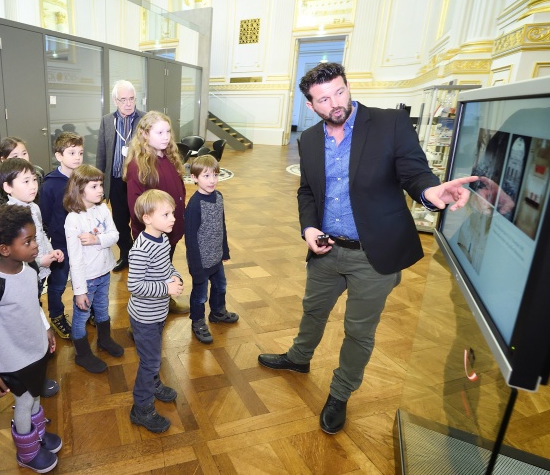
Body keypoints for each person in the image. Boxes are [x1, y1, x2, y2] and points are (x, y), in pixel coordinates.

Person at [257, 62, 478, 434]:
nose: (336, 102)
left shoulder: (389, 124)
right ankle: (299, 358)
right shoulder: (309, 140)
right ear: (311, 105)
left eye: (340, 91)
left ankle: (340, 394)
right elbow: (308, 191)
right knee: (313, 310)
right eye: (324, 98)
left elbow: (414, 173)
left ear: (348, 86)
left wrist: (430, 192)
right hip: (327, 250)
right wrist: (309, 227)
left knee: (359, 330)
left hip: (374, 255)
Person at [0, 205, 62, 473]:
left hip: (35, 349)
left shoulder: (30, 269)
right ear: (4, 249)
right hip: (12, 360)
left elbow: (32, 303)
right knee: (25, 402)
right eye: (28, 241)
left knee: (35, 396)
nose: (35, 246)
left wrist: (46, 326)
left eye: (35, 238)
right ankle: (27, 451)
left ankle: (36, 434)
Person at [0, 157, 63, 398]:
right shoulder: (12, 215)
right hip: (25, 274)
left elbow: (40, 236)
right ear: (8, 187)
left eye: (34, 179)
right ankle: (30, 374)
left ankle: (39, 359)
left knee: (36, 307)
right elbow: (14, 254)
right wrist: (37, 261)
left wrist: (49, 251)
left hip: (38, 269)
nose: (33, 185)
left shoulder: (32, 206)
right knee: (28, 317)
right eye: (25, 181)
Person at [127, 189, 185, 434]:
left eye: (172, 213)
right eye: (166, 214)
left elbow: (166, 266)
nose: (173, 218)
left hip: (158, 312)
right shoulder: (141, 249)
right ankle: (141, 408)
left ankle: (153, 384)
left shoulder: (161, 239)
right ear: (147, 218)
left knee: (153, 356)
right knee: (150, 361)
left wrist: (175, 276)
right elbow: (135, 286)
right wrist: (166, 287)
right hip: (144, 317)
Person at [123, 111, 189, 314]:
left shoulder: (169, 157)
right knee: (149, 275)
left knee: (164, 268)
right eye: (159, 132)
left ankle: (165, 302)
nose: (166, 136)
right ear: (144, 135)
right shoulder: (138, 165)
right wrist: (155, 228)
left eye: (168, 131)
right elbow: (137, 207)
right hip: (152, 234)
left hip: (170, 229)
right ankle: (141, 317)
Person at [63, 164, 123, 373]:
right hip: (86, 279)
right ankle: (82, 354)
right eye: (94, 186)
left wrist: (97, 239)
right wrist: (79, 291)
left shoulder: (103, 209)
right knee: (81, 316)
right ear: (80, 189)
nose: (100, 190)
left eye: (101, 185)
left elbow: (115, 235)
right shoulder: (73, 219)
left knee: (103, 308)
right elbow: (75, 259)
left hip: (104, 272)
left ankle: (104, 340)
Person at [184, 155, 238, 344]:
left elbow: (221, 225)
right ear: (194, 178)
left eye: (215, 175)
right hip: (200, 261)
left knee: (220, 286)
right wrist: (196, 268)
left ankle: (218, 312)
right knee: (200, 295)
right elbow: (190, 240)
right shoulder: (194, 205)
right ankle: (197, 321)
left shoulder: (219, 197)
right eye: (206, 176)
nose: (212, 180)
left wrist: (225, 251)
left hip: (216, 257)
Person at [96, 80, 146, 272]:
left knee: (140, 219)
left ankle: (143, 255)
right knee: (119, 221)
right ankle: (127, 253)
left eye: (131, 99)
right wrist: (98, 184)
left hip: (138, 181)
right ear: (115, 101)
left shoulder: (145, 120)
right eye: (123, 99)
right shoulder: (107, 121)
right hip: (116, 180)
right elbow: (102, 152)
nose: (128, 103)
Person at [40, 132, 84, 339]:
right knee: (57, 284)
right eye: (71, 152)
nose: (77, 157)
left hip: (83, 243)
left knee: (83, 279)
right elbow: (45, 217)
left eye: (80, 153)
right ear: (59, 156)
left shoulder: (84, 178)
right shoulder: (50, 184)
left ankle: (85, 309)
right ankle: (56, 315)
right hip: (61, 245)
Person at [0, 137, 45, 208]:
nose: (22, 158)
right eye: (15, 156)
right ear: (3, 159)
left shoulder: (37, 175)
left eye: (24, 153)